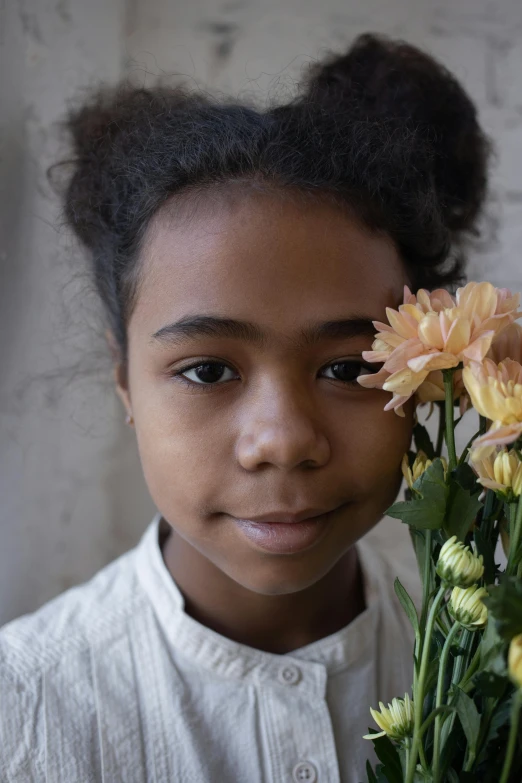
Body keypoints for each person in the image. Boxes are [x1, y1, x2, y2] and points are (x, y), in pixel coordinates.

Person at [0, 31, 491, 783]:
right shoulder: (26, 709)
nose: (283, 440)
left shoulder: (490, 668)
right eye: (207, 370)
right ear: (125, 378)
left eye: (349, 366)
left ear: (428, 372)